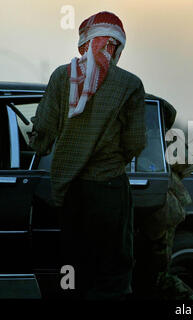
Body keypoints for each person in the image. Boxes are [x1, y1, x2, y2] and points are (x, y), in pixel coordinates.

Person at [29, 11, 146, 299]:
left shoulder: (60, 77)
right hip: (110, 191)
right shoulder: (130, 84)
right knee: (113, 273)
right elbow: (135, 143)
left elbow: (41, 135)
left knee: (72, 269)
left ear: (85, 43)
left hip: (70, 192)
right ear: (116, 46)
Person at [132, 94, 193, 300]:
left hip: (160, 211)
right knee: (151, 276)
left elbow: (187, 164)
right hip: (161, 210)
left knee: (155, 277)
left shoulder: (158, 137)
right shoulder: (160, 136)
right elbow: (187, 165)